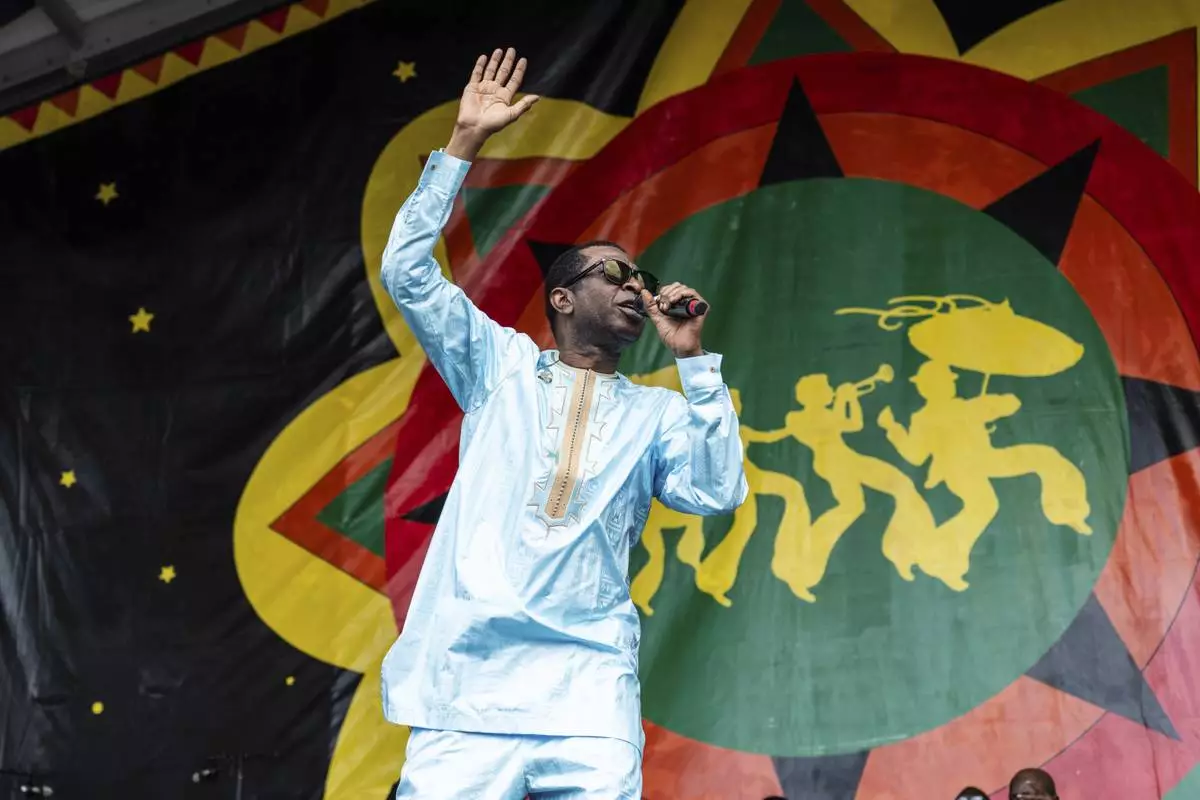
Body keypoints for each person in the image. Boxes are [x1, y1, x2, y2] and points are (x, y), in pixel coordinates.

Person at [378, 48, 748, 799]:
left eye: (641, 281)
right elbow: (407, 273)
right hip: (470, 684)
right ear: (563, 300)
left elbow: (716, 492)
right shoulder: (501, 368)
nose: (637, 288)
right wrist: (462, 146)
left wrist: (695, 364)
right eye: (615, 274)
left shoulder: (655, 412)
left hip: (586, 690)